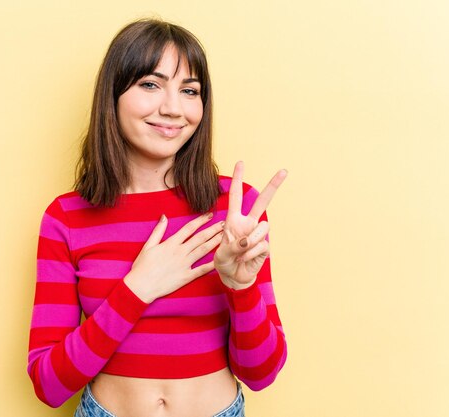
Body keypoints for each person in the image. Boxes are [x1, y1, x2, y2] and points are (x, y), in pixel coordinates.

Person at [27, 18, 288, 417]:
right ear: (113, 94)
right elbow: (49, 384)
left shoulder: (235, 208)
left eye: (189, 91)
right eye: (150, 84)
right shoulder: (67, 218)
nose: (172, 108)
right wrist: (137, 288)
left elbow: (261, 373)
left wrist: (241, 286)